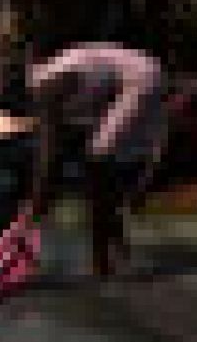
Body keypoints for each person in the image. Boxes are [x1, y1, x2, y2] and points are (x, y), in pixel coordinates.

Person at [21, 44, 167, 278]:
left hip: (139, 82)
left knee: (98, 171)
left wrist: (36, 204)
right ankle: (120, 254)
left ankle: (102, 266)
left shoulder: (47, 86)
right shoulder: (61, 70)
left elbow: (50, 155)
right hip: (149, 73)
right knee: (104, 178)